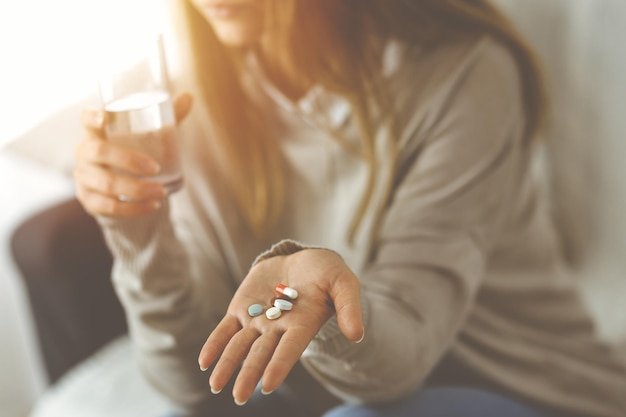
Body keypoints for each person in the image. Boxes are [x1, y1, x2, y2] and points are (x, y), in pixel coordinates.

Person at [73, 1, 626, 416]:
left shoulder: (464, 76)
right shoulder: (196, 105)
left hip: (522, 388)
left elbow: (407, 345)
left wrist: (328, 309)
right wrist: (138, 233)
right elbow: (195, 384)